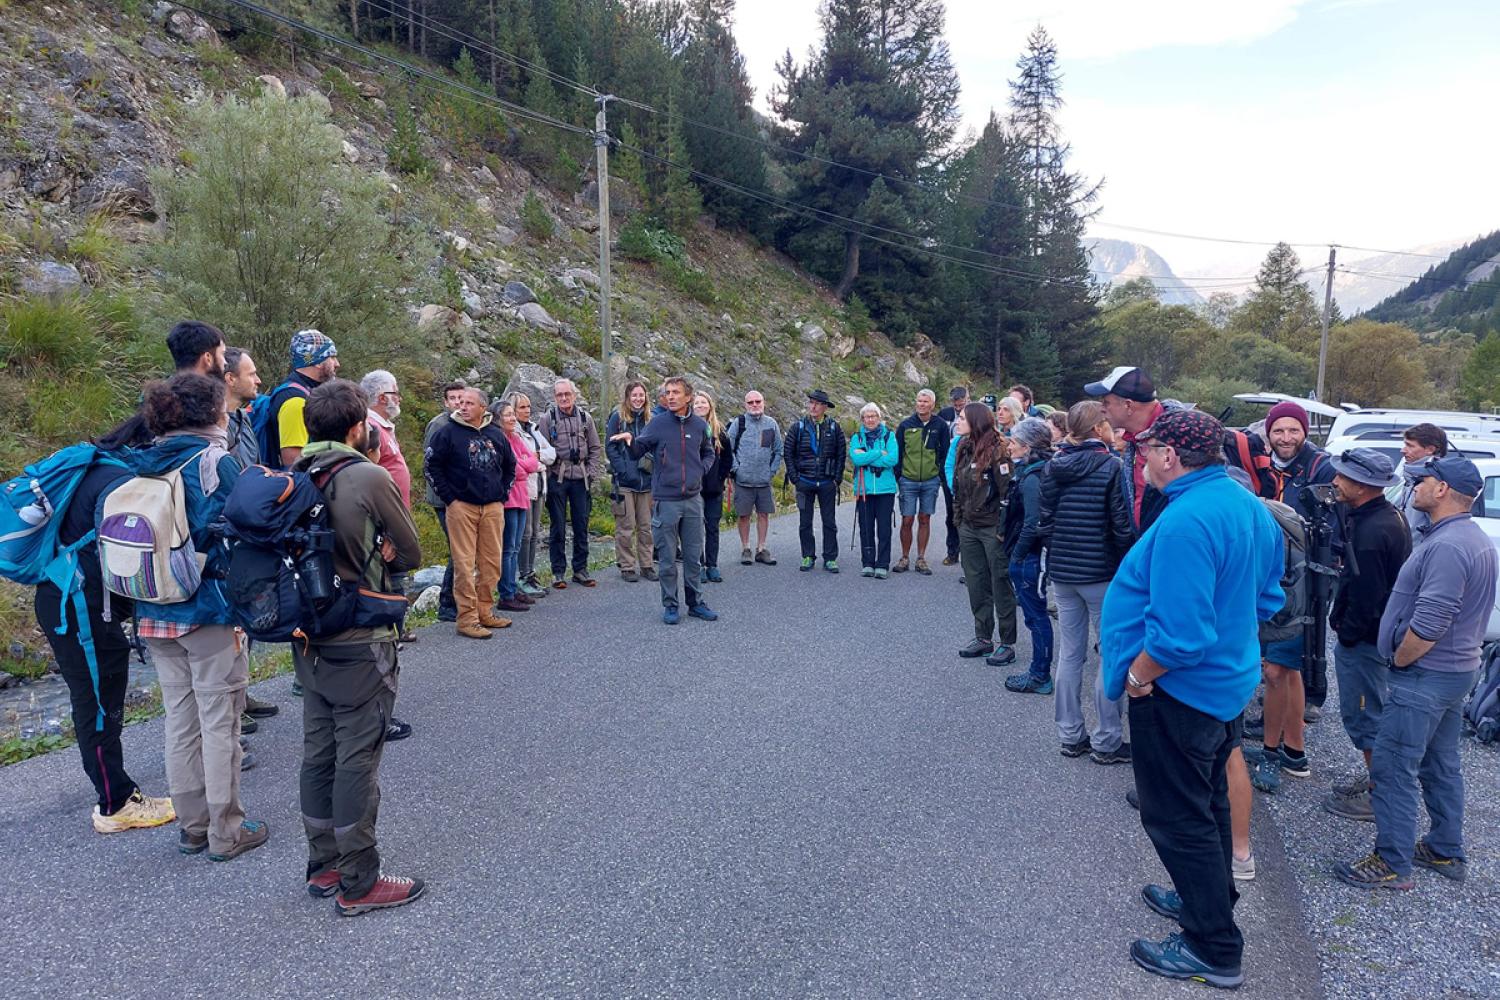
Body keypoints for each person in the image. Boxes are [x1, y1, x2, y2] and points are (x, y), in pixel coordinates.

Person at [1101, 409, 1284, 990]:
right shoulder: (1247, 506)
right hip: (1226, 683)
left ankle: (1213, 945)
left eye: (1147, 450)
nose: (1143, 459)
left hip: (1179, 692)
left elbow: (1180, 637)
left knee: (1177, 817)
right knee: (1208, 804)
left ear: (1170, 456)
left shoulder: (1188, 521)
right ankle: (1208, 895)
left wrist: (1137, 676)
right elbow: (1266, 597)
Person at [289, 378, 425, 915]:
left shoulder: (295, 473)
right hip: (360, 637)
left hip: (309, 637)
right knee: (358, 758)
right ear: (357, 427)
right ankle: (360, 880)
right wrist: (386, 549)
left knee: (318, 752)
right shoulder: (366, 475)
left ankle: (322, 865)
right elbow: (410, 551)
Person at [1335, 456, 1498, 890]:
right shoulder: (1469, 537)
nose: (1413, 487)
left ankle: (1392, 862)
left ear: (1442, 489)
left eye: (1420, 480)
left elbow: (1429, 622)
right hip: (1454, 673)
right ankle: (1444, 850)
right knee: (1440, 764)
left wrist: (1400, 660)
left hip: (1426, 677)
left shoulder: (1447, 546)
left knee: (1392, 767)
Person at [130, 373, 268, 862]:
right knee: (219, 722)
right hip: (208, 607)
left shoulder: (139, 459)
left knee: (180, 721)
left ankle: (192, 826)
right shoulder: (214, 461)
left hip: (151, 605)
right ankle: (227, 830)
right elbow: (253, 524)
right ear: (214, 412)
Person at [32, 429, 175, 834]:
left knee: (98, 696)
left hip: (68, 597)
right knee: (96, 703)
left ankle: (117, 794)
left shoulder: (98, 463)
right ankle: (115, 802)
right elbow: (124, 554)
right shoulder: (119, 481)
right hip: (80, 606)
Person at [1039, 401, 1135, 762]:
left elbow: (1044, 521)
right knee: (1110, 654)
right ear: (1098, 429)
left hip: (1063, 573)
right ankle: (1107, 740)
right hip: (1100, 574)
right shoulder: (1112, 466)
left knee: (1071, 653)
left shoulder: (1054, 465)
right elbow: (1121, 526)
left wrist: (1059, 553)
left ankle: (1069, 734)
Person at [1321, 449, 1410, 822]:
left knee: (1365, 714)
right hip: (1374, 638)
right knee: (1371, 711)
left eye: (1342, 477)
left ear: (1362, 485)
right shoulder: (1383, 517)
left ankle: (1379, 794)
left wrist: (1348, 634)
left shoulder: (1373, 531)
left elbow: (1369, 595)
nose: (1336, 482)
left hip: (1367, 642)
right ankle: (1378, 779)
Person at [1255, 399, 1336, 771]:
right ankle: (1291, 749)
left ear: (1305, 432)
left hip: (1303, 583)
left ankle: (1282, 752)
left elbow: (1326, 531)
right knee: (1283, 670)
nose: (1286, 437)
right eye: (1278, 431)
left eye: (1293, 430)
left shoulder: (1320, 470)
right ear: (1268, 434)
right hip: (1278, 575)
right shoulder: (1267, 468)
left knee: (1278, 669)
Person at [609, 376, 718, 625]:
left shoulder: (700, 426)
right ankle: (671, 605)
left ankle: (695, 603)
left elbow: (708, 451)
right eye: (668, 392)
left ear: (688, 397)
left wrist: (700, 470)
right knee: (668, 559)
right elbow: (639, 451)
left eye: (676, 392)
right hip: (665, 500)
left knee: (692, 557)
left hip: (692, 500)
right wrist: (629, 441)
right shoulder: (658, 423)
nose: (670, 396)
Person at [424, 387, 516, 639]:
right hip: (461, 507)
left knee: (491, 563)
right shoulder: (446, 433)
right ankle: (466, 619)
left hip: (493, 507)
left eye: (469, 403)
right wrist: (450, 499)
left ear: (482, 407)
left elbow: (510, 465)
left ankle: (485, 611)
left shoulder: (496, 434)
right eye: (460, 402)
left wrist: (502, 494)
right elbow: (431, 466)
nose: (462, 407)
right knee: (464, 565)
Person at [952, 403, 1018, 665]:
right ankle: (983, 637)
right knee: (976, 582)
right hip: (968, 525)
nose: (957, 421)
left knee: (1000, 582)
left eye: (961, 418)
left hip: (992, 527)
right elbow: (958, 487)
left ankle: (1007, 642)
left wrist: (1002, 530)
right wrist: (958, 519)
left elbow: (1007, 494)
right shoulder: (963, 446)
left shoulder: (999, 450)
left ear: (975, 421)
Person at [363, 370, 419, 659]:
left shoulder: (384, 427)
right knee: (389, 575)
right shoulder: (370, 427)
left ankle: (398, 627)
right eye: (396, 393)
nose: (399, 398)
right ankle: (390, 630)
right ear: (383, 397)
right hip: (385, 518)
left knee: (399, 573)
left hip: (397, 512)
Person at [1001, 418, 1057, 698]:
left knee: (1036, 617)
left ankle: (1040, 675)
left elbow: (1033, 521)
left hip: (1031, 557)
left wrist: (1018, 555)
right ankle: (1039, 671)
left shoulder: (1033, 477)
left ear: (1027, 446)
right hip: (1030, 555)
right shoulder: (1034, 471)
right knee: (1035, 616)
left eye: (1013, 442)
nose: (1009, 446)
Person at [1084, 366, 1168, 534]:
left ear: (1128, 405)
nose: (1101, 409)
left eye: (1106, 402)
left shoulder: (1181, 437)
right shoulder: (1135, 439)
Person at [538, 378, 603, 589]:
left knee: (581, 524)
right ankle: (558, 572)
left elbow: (595, 448)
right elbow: (543, 450)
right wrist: (548, 478)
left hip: (581, 479)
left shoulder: (586, 418)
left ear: (574, 395)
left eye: (567, 394)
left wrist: (591, 473)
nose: (564, 398)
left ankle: (580, 569)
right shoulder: (548, 419)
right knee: (557, 526)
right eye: (559, 395)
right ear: (554, 397)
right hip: (558, 478)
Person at [785, 389, 847, 573]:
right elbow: (788, 453)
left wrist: (837, 478)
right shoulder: (798, 427)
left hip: (827, 483)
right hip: (805, 482)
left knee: (829, 522)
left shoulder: (835, 428)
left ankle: (830, 558)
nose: (813, 406)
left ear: (825, 407)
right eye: (811, 402)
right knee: (805, 522)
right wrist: (795, 478)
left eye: (817, 403)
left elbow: (841, 454)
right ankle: (808, 555)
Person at [423, 380, 468, 622]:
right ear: (445, 402)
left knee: (462, 550)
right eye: (454, 399)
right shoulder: (439, 425)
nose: (459, 403)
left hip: (462, 499)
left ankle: (458, 600)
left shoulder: (464, 423)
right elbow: (430, 464)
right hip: (444, 500)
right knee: (457, 550)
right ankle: (447, 603)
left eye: (462, 399)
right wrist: (448, 496)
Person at [893, 389, 950, 575]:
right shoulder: (905, 425)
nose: (921, 404)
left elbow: (945, 454)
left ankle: (921, 558)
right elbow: (898, 453)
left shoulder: (940, 425)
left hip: (930, 480)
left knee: (924, 518)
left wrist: (940, 476)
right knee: (907, 519)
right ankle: (904, 557)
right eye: (919, 400)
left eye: (925, 401)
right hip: (908, 480)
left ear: (932, 405)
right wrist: (898, 476)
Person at [265, 329, 340, 470]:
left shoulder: (304, 392)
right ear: (317, 361)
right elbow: (292, 460)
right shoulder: (295, 401)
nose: (337, 364)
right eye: (332, 357)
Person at [605, 381, 655, 583]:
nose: (638, 399)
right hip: (625, 483)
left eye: (641, 395)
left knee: (646, 527)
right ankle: (626, 566)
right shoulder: (617, 418)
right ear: (627, 397)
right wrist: (623, 470)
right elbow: (610, 447)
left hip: (647, 482)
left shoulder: (652, 420)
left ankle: (647, 565)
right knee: (625, 527)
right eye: (634, 395)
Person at [494, 401, 541, 613]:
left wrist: (522, 463)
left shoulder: (515, 437)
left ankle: (512, 589)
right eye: (508, 415)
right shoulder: (499, 439)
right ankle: (506, 593)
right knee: (508, 548)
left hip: (521, 496)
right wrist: (522, 464)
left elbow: (532, 463)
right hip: (509, 499)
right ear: (497, 418)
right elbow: (513, 467)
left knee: (515, 547)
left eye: (513, 414)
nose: (513, 418)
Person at [726, 390, 782, 566]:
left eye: (758, 401)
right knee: (743, 515)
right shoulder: (739, 423)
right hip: (743, 481)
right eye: (750, 402)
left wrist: (771, 472)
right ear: (745, 405)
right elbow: (728, 448)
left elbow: (778, 450)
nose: (755, 405)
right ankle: (746, 548)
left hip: (764, 481)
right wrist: (737, 470)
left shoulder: (771, 424)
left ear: (763, 403)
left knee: (763, 514)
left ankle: (761, 549)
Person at [510, 391, 556, 598]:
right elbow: (522, 461)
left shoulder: (535, 430)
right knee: (525, 534)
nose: (527, 410)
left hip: (539, 486)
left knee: (535, 532)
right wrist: (535, 459)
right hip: (524, 489)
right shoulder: (514, 433)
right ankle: (522, 575)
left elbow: (551, 454)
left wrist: (535, 457)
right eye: (522, 407)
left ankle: (529, 573)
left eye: (528, 406)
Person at [849, 402, 899, 578]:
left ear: (879, 418)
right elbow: (856, 459)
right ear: (862, 419)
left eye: (873, 416)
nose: (870, 420)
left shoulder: (889, 436)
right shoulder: (857, 437)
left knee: (884, 528)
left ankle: (883, 564)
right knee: (866, 527)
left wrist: (867, 457)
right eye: (867, 417)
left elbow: (893, 459)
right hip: (864, 489)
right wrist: (879, 453)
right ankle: (868, 563)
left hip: (886, 490)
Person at [693, 390, 733, 583]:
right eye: (696, 403)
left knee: (712, 528)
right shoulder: (687, 429)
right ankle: (698, 565)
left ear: (710, 406)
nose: (700, 406)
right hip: (693, 489)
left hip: (714, 489)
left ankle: (712, 565)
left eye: (703, 402)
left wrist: (720, 478)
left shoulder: (719, 431)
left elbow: (727, 458)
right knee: (695, 529)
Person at [1389, 422, 1448, 537]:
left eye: (1410, 446)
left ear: (1430, 450)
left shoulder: (1433, 483)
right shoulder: (1411, 476)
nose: (1403, 450)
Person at [937, 386, 970, 565]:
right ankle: (952, 551)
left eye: (961, 404)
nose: (958, 408)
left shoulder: (975, 413)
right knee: (952, 513)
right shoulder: (945, 414)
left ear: (967, 399)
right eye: (955, 405)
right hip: (949, 468)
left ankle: (969, 555)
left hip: (969, 471)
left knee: (969, 514)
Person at [222, 346, 261, 468]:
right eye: (252, 375)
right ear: (231, 379)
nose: (258, 380)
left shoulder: (243, 419)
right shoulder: (213, 429)